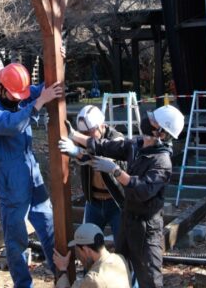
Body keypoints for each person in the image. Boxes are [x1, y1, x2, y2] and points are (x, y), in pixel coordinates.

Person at [59, 105, 185, 288]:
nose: (147, 121)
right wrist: (74, 136)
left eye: (153, 121)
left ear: (162, 133)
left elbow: (143, 190)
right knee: (119, 268)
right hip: (128, 218)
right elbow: (105, 146)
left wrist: (116, 171)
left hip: (146, 229)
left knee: (149, 277)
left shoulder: (162, 162)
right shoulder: (137, 145)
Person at [0, 62, 64, 288]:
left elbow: (47, 87)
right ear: (2, 88)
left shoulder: (20, 95)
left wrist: (59, 59)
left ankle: (62, 275)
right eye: (15, 95)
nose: (19, 99)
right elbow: (13, 124)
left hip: (31, 172)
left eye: (22, 96)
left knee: (48, 226)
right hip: (10, 180)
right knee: (16, 240)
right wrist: (38, 104)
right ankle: (23, 285)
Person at [68, 105, 124, 243]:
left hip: (116, 202)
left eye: (89, 132)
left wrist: (78, 152)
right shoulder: (85, 139)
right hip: (94, 202)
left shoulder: (117, 139)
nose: (85, 136)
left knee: (122, 245)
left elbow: (103, 157)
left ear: (102, 126)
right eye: (83, 132)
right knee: (87, 244)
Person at [53, 223, 131, 288]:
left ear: (86, 250)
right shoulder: (120, 259)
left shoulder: (93, 279)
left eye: (78, 251)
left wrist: (63, 269)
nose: (78, 256)